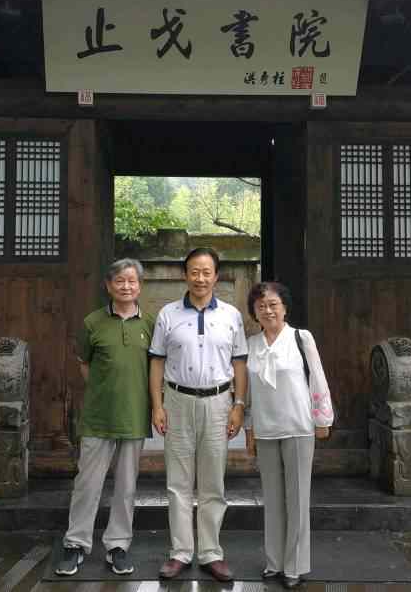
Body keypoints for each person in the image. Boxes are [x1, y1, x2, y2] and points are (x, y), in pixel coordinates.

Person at [149, 247, 249, 582]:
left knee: (213, 482)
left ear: (216, 276)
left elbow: (239, 363)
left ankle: (210, 553)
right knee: (178, 482)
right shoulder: (168, 314)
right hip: (177, 401)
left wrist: (239, 405)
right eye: (194, 271)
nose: (200, 278)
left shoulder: (232, 315)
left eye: (207, 272)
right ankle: (180, 552)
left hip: (219, 403)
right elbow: (157, 361)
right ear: (185, 274)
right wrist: (157, 404)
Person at [55, 258, 155, 577]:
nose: (126, 286)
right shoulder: (92, 322)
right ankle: (75, 544)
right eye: (120, 281)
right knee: (88, 483)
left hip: (134, 416)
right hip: (98, 417)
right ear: (108, 286)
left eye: (132, 281)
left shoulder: (150, 324)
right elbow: (84, 364)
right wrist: (104, 391)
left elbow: (156, 369)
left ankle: (117, 546)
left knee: (126, 487)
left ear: (140, 286)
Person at [244, 281, 334, 589]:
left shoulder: (300, 338)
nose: (268, 310)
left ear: (284, 307)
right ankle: (274, 562)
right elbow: (248, 392)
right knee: (272, 499)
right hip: (266, 429)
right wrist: (249, 429)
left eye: (273, 304)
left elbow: (317, 377)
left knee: (297, 499)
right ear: (254, 312)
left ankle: (294, 566)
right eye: (261, 306)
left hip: (298, 426)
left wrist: (322, 419)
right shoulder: (251, 344)